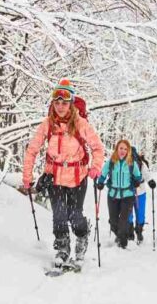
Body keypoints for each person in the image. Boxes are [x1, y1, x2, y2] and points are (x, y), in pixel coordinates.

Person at [22, 79, 104, 268]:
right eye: (57, 103)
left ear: (71, 103)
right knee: (59, 215)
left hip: (78, 177)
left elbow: (97, 148)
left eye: (64, 103)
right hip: (55, 177)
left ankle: (82, 237)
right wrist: (28, 176)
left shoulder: (80, 123)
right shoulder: (47, 124)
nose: (60, 107)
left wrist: (95, 167)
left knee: (75, 215)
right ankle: (63, 248)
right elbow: (32, 150)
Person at [95, 139, 141, 249]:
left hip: (128, 195)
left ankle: (123, 242)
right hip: (113, 195)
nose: (123, 151)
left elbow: (138, 176)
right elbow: (103, 174)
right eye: (121, 148)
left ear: (128, 151)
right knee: (113, 221)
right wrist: (100, 183)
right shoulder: (111, 162)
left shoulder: (131, 163)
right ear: (117, 149)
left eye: (125, 149)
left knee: (123, 220)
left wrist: (137, 181)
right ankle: (122, 235)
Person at [127, 147, 156, 243]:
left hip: (140, 192)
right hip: (128, 193)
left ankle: (138, 232)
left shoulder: (141, 163)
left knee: (139, 215)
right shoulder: (123, 163)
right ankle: (130, 233)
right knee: (130, 214)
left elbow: (146, 174)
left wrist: (150, 181)